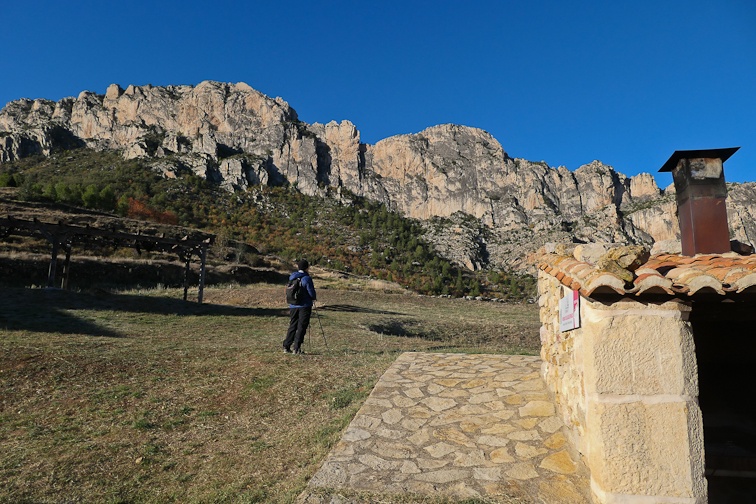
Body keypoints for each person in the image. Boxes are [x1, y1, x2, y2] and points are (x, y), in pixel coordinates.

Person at [283, 259, 317, 355]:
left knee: (293, 325)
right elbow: (311, 292)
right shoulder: (307, 278)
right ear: (307, 267)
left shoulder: (292, 277)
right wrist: (313, 298)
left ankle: (286, 346)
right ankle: (297, 348)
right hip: (304, 305)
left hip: (293, 305)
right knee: (301, 326)